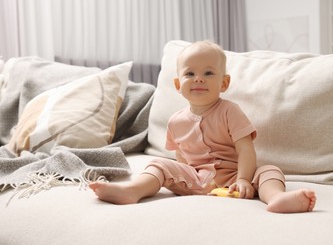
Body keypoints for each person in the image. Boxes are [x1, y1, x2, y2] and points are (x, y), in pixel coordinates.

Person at [89, 40, 316, 213]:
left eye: (208, 73)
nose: (199, 79)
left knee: (270, 170)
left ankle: (276, 198)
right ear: (178, 84)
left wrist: (244, 179)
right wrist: (183, 175)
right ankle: (132, 190)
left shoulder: (230, 111)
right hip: (196, 179)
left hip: (234, 178)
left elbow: (246, 149)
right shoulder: (176, 120)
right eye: (190, 73)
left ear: (224, 83)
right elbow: (180, 156)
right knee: (158, 163)